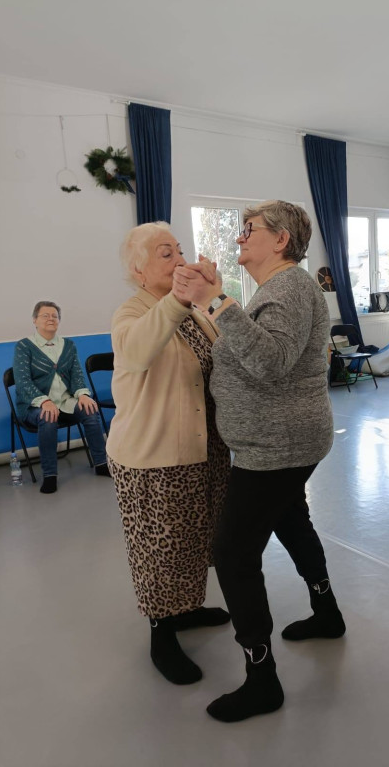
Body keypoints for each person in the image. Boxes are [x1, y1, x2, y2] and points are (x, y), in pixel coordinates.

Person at [178, 200, 346, 723]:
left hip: (277, 448)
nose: (237, 239)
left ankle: (262, 678)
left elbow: (269, 362)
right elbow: (258, 348)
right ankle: (327, 613)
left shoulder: (292, 285)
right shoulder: (276, 288)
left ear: (280, 239)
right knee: (292, 521)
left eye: (248, 230)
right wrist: (219, 297)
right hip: (280, 443)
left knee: (232, 553)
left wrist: (215, 299)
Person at [105, 222, 231, 686]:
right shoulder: (130, 312)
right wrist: (179, 300)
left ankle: (188, 608)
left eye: (179, 249)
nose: (178, 258)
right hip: (154, 458)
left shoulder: (193, 310)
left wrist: (212, 293)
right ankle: (162, 630)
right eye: (165, 253)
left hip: (203, 447)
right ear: (139, 271)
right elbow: (136, 352)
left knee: (197, 538)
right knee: (160, 550)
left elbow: (226, 349)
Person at [13, 301, 110, 494]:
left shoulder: (68, 345)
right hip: (34, 406)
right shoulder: (24, 347)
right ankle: (50, 475)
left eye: (54, 316)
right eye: (45, 315)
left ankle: (101, 463)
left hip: (65, 402)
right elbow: (23, 382)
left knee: (90, 410)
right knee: (47, 418)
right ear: (35, 320)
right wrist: (45, 402)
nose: (51, 319)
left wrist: (83, 395)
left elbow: (77, 375)